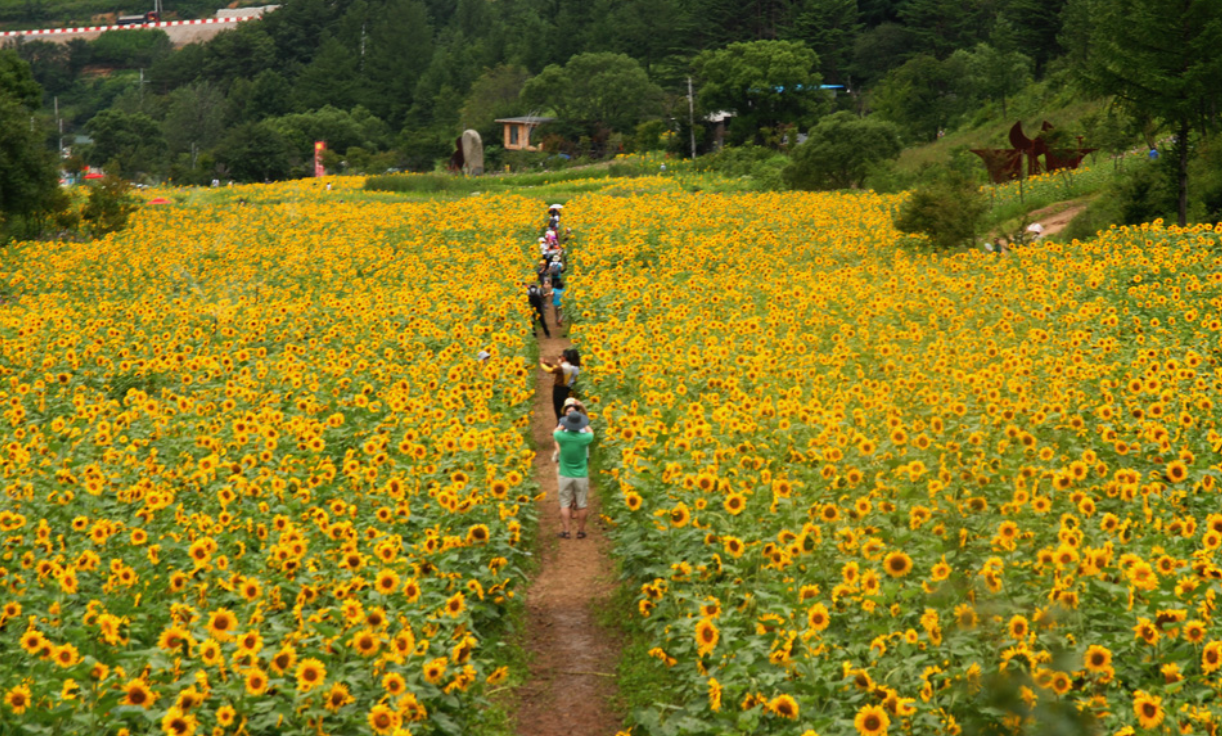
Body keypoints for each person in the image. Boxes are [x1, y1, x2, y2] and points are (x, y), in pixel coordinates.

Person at [553, 410, 594, 539]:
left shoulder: (561, 436)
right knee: (582, 504)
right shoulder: (584, 438)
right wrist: (584, 424)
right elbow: (591, 432)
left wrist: (563, 425)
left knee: (565, 503)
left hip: (565, 474)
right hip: (581, 474)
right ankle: (581, 531)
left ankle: (566, 531)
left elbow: (556, 431)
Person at [540, 348, 580, 419]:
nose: (560, 357)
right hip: (566, 389)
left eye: (561, 356)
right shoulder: (570, 366)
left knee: (559, 408)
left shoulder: (565, 367)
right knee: (563, 407)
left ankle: (561, 422)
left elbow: (550, 370)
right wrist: (548, 363)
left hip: (559, 390)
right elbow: (557, 369)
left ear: (565, 358)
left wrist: (542, 364)